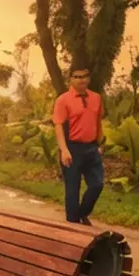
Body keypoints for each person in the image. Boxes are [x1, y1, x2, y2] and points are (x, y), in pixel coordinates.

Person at [52, 65, 104, 225]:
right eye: (77, 77)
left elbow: (98, 122)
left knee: (97, 184)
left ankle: (83, 213)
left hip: (91, 148)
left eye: (84, 76)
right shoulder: (63, 100)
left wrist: (100, 144)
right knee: (72, 189)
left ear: (89, 78)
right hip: (71, 148)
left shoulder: (96, 98)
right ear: (71, 79)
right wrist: (64, 150)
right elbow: (58, 125)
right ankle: (73, 224)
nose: (81, 80)